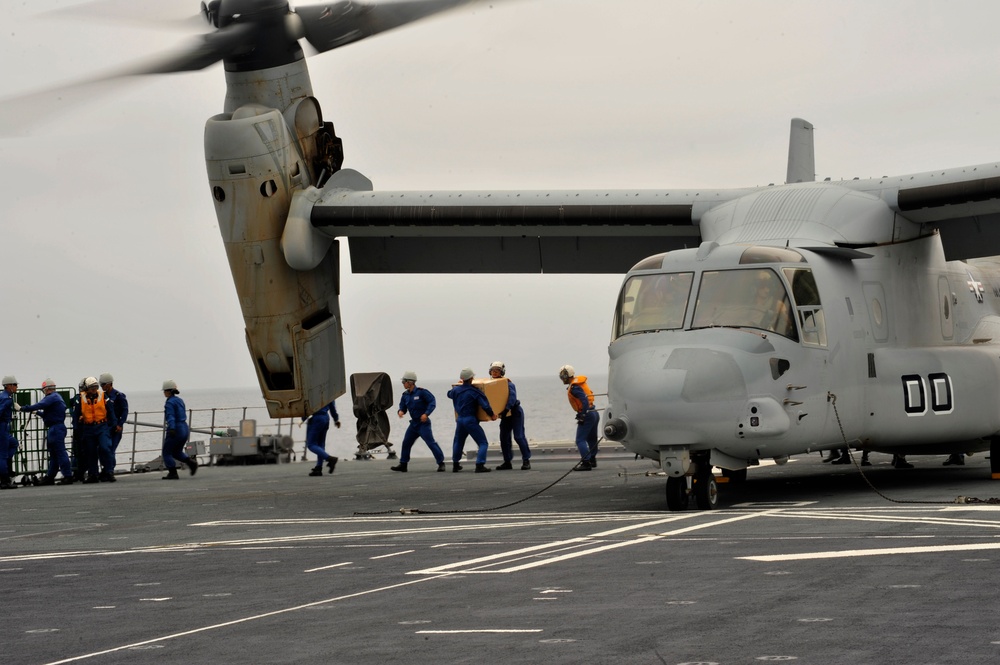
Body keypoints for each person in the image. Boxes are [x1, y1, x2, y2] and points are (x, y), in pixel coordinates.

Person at [21, 379, 73, 485]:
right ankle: (50, 477)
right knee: (54, 454)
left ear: (47, 389)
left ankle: (67, 476)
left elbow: (39, 404)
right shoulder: (57, 398)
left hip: (55, 429)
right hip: (56, 427)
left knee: (60, 452)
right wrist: (38, 413)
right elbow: (49, 415)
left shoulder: (52, 397)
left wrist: (24, 408)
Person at [392, 371, 445, 473]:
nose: (403, 383)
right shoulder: (405, 395)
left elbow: (432, 402)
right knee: (406, 442)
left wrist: (426, 413)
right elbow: (402, 406)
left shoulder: (422, 392)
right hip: (414, 424)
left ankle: (441, 463)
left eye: (404, 381)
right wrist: (400, 411)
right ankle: (403, 464)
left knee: (430, 443)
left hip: (423, 423)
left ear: (410, 382)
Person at [447, 367, 497, 473]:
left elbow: (449, 394)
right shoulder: (474, 391)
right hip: (470, 419)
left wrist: (458, 384)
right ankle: (480, 465)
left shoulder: (455, 390)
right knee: (483, 443)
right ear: (471, 378)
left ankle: (455, 464)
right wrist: (492, 414)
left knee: (458, 441)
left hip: (460, 420)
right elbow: (485, 405)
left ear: (462, 379)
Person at [72, 376, 118, 484]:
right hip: (88, 428)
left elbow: (110, 410)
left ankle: (109, 471)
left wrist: (114, 424)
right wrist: (76, 428)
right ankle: (93, 474)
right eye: (91, 387)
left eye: (95, 387)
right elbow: (76, 414)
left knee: (105, 447)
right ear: (86, 388)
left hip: (102, 426)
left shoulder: (103, 396)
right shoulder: (81, 399)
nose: (94, 389)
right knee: (90, 451)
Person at [488, 361, 531, 471]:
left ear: (501, 372)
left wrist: (506, 409)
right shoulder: (491, 385)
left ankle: (526, 460)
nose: (494, 372)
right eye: (493, 370)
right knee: (503, 437)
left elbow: (512, 397)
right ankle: (507, 461)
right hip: (505, 415)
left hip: (514, 412)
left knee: (519, 436)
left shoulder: (508, 384)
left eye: (497, 370)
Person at [559, 365, 600, 470]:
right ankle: (592, 459)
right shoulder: (579, 384)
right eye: (561, 375)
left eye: (564, 375)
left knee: (580, 440)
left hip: (587, 414)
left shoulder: (574, 387)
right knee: (591, 438)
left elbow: (584, 400)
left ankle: (586, 462)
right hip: (594, 412)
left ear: (570, 375)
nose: (563, 378)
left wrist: (583, 415)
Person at [161, 379, 197, 480]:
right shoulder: (179, 400)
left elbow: (171, 416)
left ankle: (173, 473)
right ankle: (191, 463)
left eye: (164, 391)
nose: (164, 393)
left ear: (168, 391)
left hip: (176, 428)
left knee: (166, 452)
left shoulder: (169, 403)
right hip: (184, 428)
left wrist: (172, 428)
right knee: (176, 452)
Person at [99, 373, 128, 478]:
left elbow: (124, 411)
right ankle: (105, 469)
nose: (102, 387)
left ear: (109, 384)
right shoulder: (102, 396)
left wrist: (120, 424)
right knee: (103, 448)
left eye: (103, 385)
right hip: (106, 426)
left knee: (111, 449)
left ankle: (109, 471)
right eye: (101, 385)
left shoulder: (119, 396)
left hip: (116, 427)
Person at [303, 401, 340, 477]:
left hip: (316, 418)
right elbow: (332, 408)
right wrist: (336, 419)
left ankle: (329, 459)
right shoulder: (328, 392)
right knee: (321, 444)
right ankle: (319, 468)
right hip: (326, 418)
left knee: (311, 444)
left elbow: (306, 405)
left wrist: (303, 418)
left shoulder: (311, 390)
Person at [0, 376, 20, 490]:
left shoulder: (3, 396)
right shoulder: (7, 398)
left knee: (13, 443)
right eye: (15, 385)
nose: (16, 387)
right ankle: (4, 480)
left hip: (4, 425)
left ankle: (5, 467)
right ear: (8, 386)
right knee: (2, 454)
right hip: (2, 426)